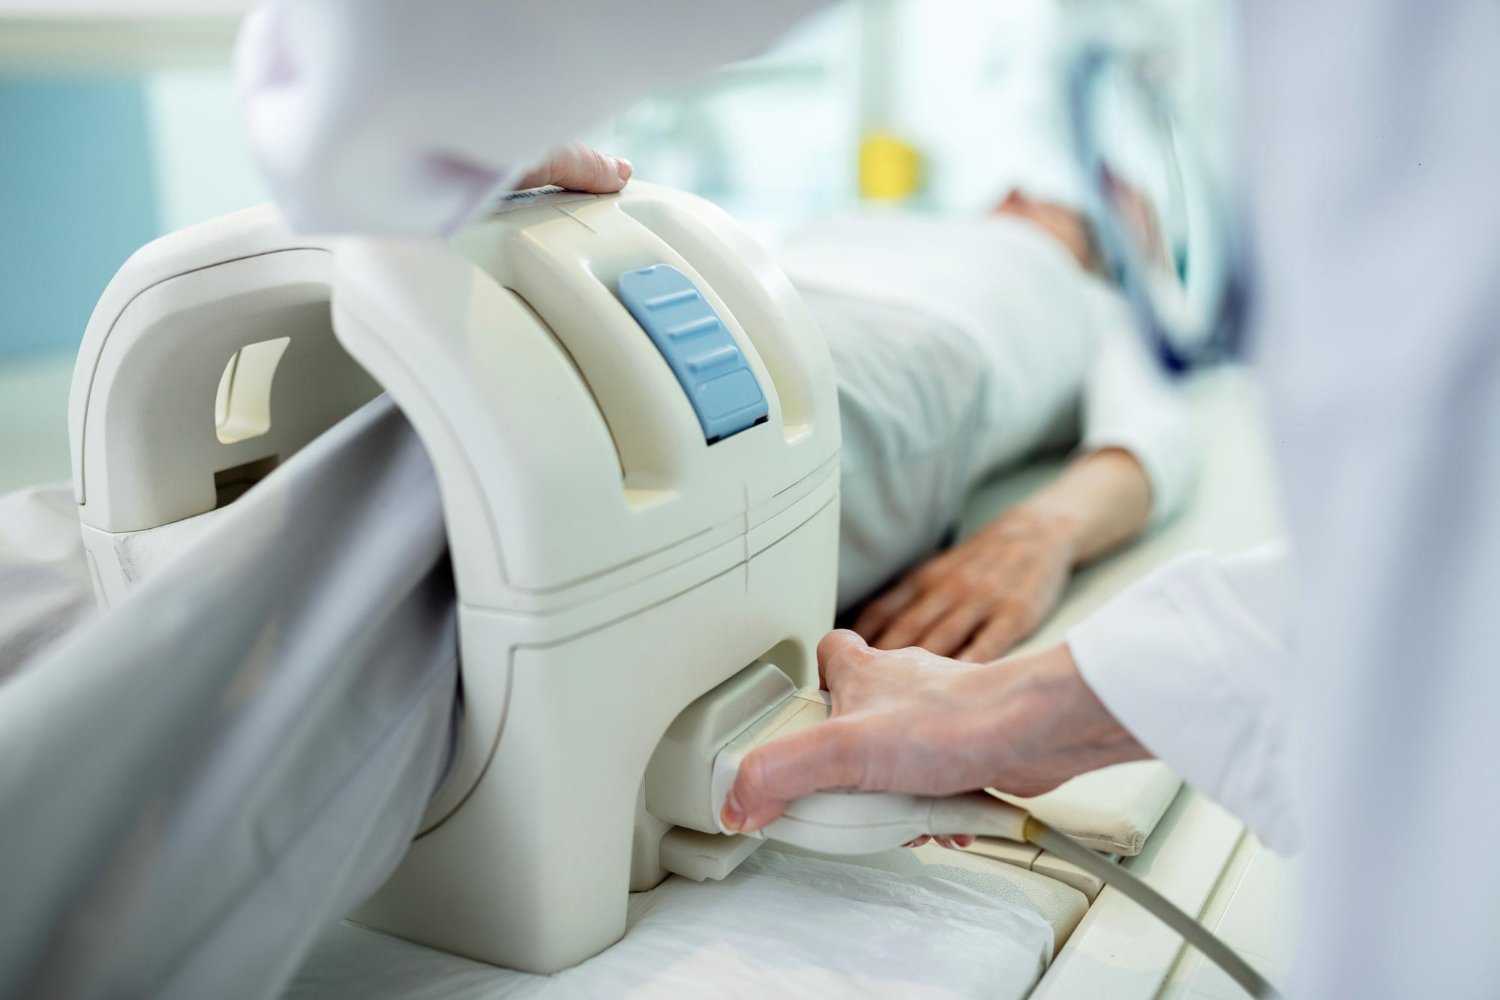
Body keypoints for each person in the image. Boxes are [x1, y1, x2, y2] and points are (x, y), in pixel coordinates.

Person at [235, 3, 1500, 997]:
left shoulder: (1092, 296)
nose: (1061, 203)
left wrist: (1039, 531)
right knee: (434, 447)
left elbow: (1152, 436)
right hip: (741, 300)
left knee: (464, 516)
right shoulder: (882, 221)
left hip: (861, 376)